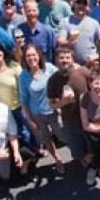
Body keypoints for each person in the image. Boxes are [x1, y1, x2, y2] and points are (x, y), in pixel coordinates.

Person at [18, 43, 65, 174]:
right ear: (24, 59)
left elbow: (63, 78)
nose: (31, 58)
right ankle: (58, 159)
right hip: (37, 114)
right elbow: (24, 100)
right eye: (28, 56)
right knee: (46, 139)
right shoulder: (23, 77)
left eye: (33, 54)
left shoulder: (49, 68)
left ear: (38, 55)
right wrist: (30, 120)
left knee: (63, 135)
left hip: (54, 110)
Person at [46, 47, 91, 173]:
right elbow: (51, 104)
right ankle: (87, 163)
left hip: (89, 118)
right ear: (56, 60)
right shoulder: (53, 80)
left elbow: (97, 85)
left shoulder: (83, 72)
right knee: (78, 149)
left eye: (67, 57)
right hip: (70, 121)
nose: (64, 60)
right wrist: (63, 102)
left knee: (93, 146)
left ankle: (96, 166)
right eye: (61, 58)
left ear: (72, 59)